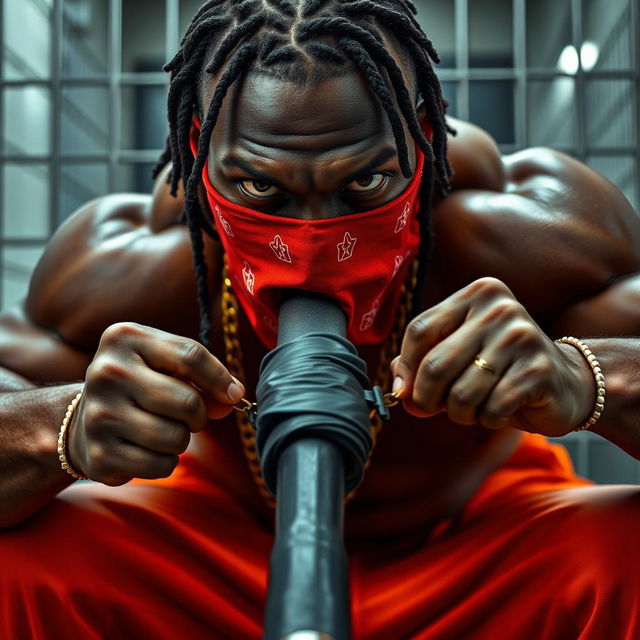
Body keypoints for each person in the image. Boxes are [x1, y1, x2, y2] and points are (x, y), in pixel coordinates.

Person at [1, 1, 640, 638]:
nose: (311, 244)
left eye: (364, 184)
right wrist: (63, 426)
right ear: (201, 145)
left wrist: (589, 378)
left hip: (481, 545)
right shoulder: (132, 262)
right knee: (20, 565)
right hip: (216, 551)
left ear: (420, 136)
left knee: (624, 553)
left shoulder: (524, 231)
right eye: (259, 189)